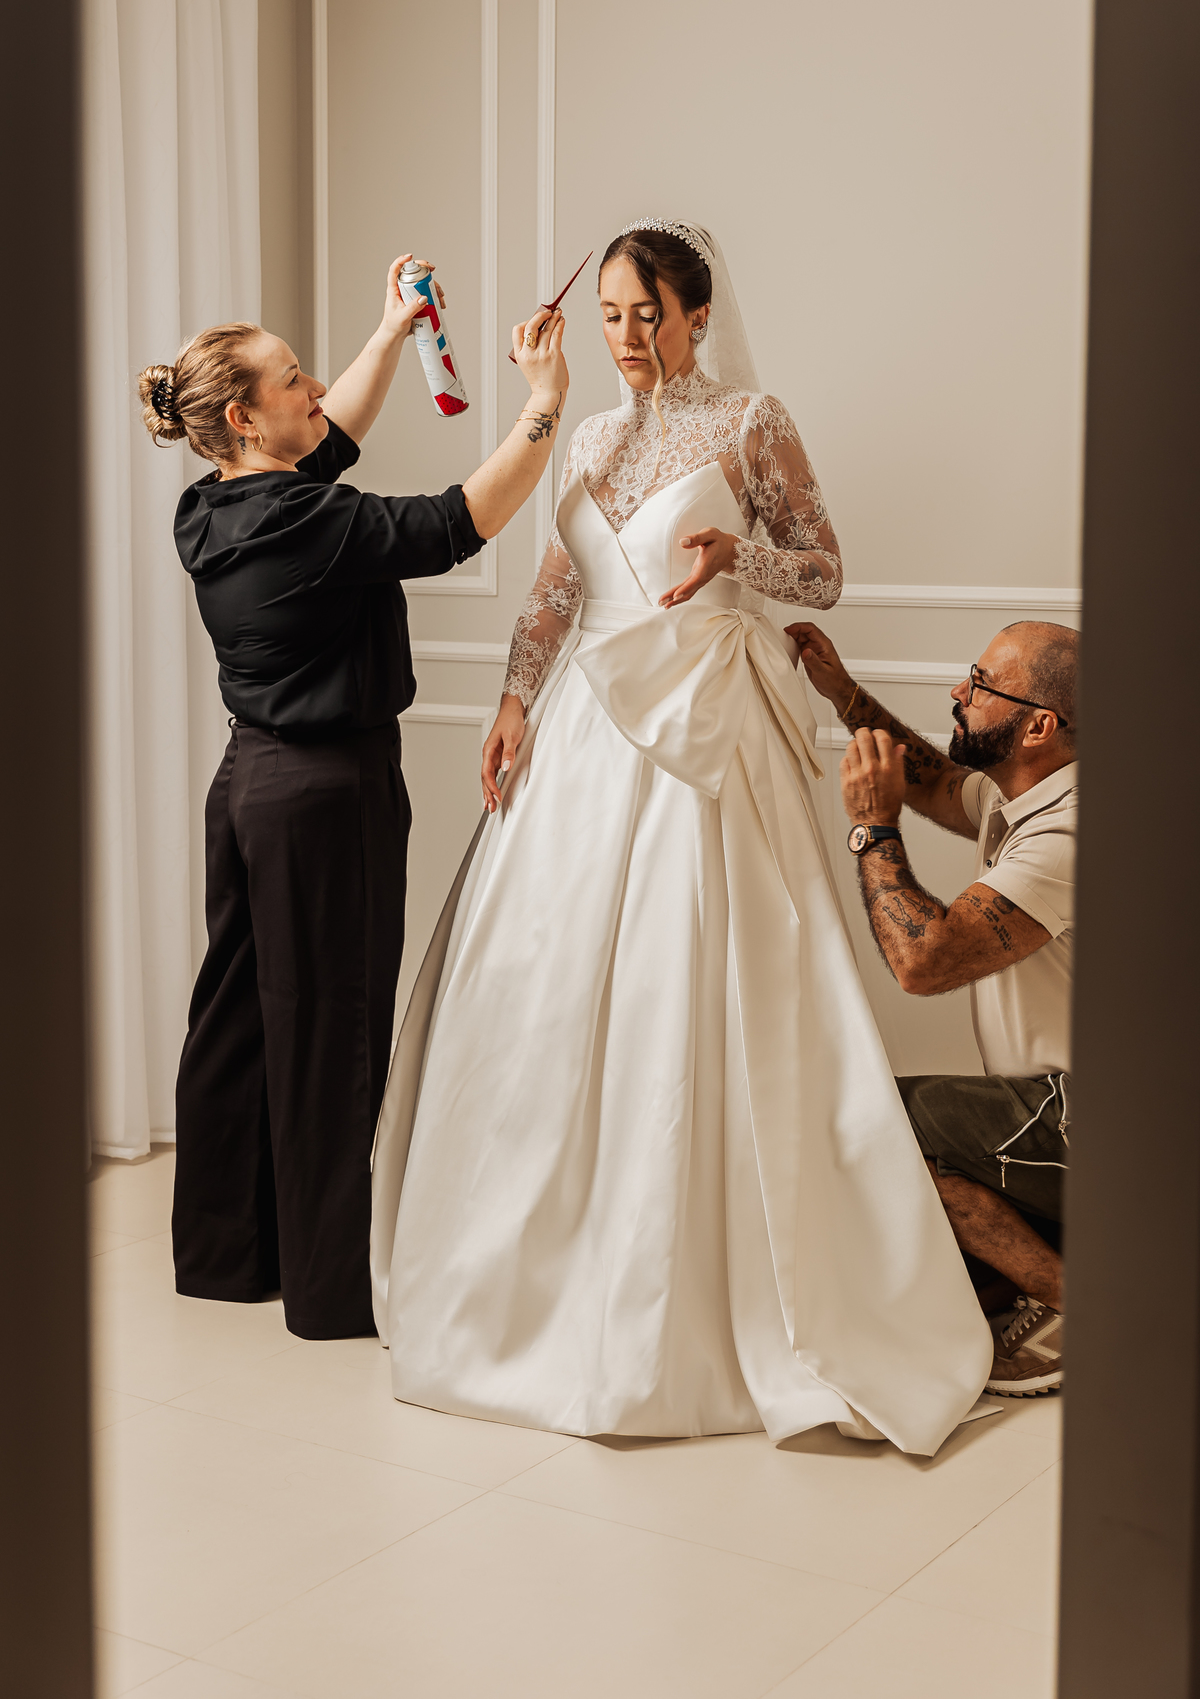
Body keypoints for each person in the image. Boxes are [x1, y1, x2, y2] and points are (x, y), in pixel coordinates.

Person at [370, 220, 992, 1455]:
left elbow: (822, 570)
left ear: (699, 315)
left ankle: (704, 1284)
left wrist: (737, 554)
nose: (629, 336)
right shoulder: (588, 436)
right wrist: (513, 698)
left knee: (691, 978)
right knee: (545, 986)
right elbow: (558, 585)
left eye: (649, 313)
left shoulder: (753, 421)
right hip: (584, 731)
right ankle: (528, 1277)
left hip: (706, 723)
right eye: (610, 314)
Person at [139, 253, 568, 1341]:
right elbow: (459, 521)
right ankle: (331, 1288)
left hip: (249, 784)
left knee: (239, 1014)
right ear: (245, 416)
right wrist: (544, 405)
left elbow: (331, 434)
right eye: (293, 378)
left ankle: (228, 1254)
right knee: (331, 1028)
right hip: (326, 794)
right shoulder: (307, 524)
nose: (315, 388)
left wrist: (392, 330)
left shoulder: (212, 507)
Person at [789, 618, 1078, 1397]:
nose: (959, 691)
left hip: (1083, 1117)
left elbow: (924, 961)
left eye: (981, 685)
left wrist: (871, 827)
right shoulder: (1030, 787)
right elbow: (940, 783)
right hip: (1059, 1103)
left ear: (1038, 727)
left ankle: (1077, 1305)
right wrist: (845, 694)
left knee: (880, 1120)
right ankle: (1036, 1272)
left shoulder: (1067, 835)